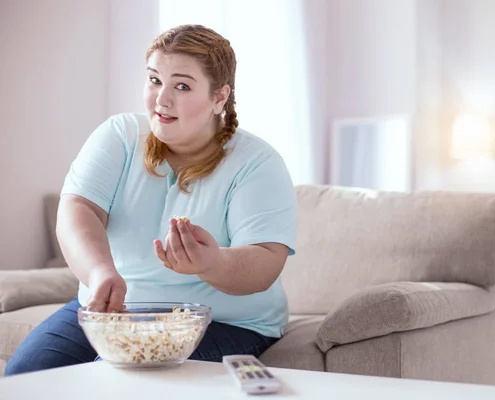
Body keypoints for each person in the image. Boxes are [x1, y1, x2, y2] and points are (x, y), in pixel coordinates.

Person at [4, 24, 297, 376]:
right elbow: (78, 210)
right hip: (114, 312)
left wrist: (212, 262)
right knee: (25, 377)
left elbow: (265, 263)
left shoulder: (257, 163)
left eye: (182, 86)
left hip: (222, 322)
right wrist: (100, 274)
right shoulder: (119, 136)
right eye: (155, 80)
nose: (162, 99)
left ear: (219, 97)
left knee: (118, 378)